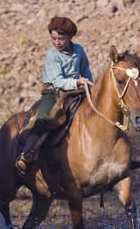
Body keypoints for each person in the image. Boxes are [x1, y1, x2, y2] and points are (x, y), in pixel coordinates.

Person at [15, 16, 93, 174]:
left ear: (70, 38)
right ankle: (26, 155)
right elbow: (57, 81)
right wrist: (77, 82)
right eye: (54, 38)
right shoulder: (52, 55)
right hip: (53, 90)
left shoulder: (79, 50)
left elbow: (86, 70)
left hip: (77, 90)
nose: (57, 42)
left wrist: (88, 84)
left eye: (61, 39)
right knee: (44, 118)